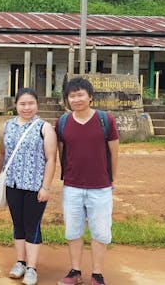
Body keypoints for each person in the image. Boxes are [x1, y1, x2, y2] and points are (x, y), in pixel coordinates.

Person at [56, 77, 119, 285]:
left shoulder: (105, 120)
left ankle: (97, 273)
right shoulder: (63, 122)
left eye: (81, 94)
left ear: (90, 97)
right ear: (67, 99)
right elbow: (62, 153)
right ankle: (75, 271)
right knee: (73, 231)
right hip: (72, 187)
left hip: (100, 187)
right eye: (72, 96)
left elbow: (114, 152)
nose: (76, 99)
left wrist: (111, 180)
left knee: (100, 232)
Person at [0, 88, 57, 285]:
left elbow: (51, 159)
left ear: (37, 105)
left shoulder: (44, 127)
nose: (26, 107)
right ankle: (20, 262)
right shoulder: (8, 126)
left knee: (32, 225)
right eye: (22, 103)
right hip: (12, 184)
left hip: (34, 186)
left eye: (30, 103)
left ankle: (31, 267)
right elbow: (1, 154)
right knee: (18, 223)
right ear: (16, 105)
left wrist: (45, 187)